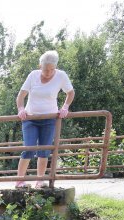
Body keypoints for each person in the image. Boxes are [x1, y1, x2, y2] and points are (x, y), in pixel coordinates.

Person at [15, 50, 75, 188]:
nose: (48, 72)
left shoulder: (61, 76)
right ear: (39, 66)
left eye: (51, 69)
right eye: (45, 69)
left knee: (44, 150)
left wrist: (65, 107)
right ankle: (19, 181)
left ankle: (40, 181)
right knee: (29, 148)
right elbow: (20, 95)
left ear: (55, 67)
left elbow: (70, 92)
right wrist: (21, 109)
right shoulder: (33, 75)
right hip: (30, 118)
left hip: (49, 119)